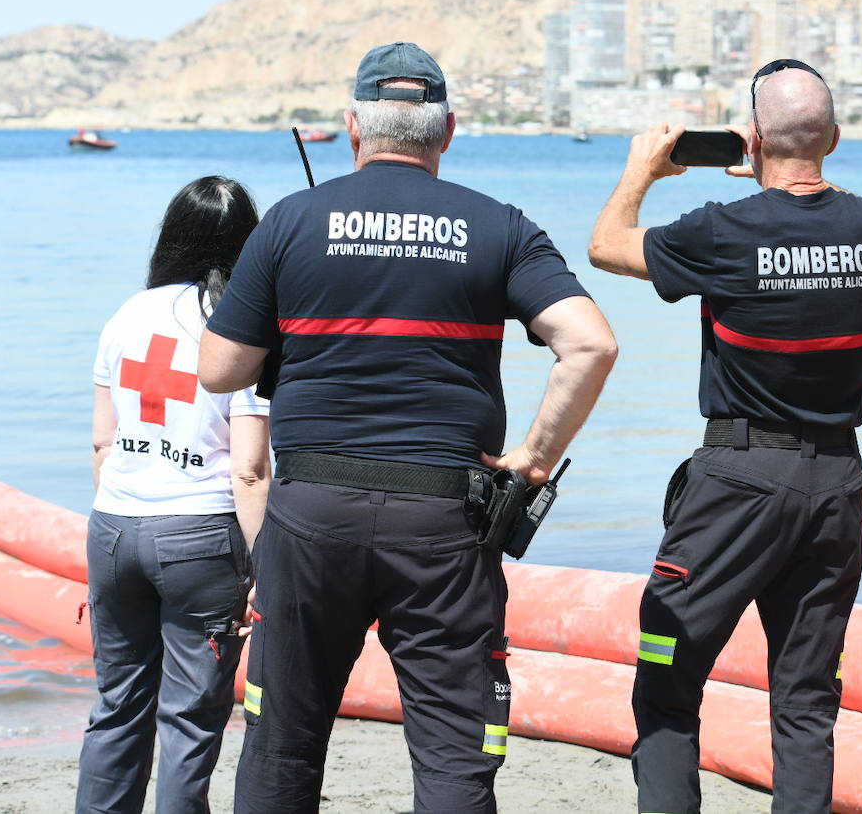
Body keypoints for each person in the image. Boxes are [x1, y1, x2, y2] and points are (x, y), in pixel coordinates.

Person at [197, 41, 617, 814]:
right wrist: (531, 457)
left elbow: (219, 371)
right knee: (456, 748)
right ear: (447, 130)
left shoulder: (292, 220)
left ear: (352, 128)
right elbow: (590, 344)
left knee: (281, 739)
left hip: (311, 513)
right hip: (443, 522)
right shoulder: (499, 225)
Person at [587, 59, 862, 813]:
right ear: (832, 135)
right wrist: (773, 173)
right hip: (837, 484)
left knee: (666, 681)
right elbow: (816, 237)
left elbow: (606, 244)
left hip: (739, 482)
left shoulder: (722, 231)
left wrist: (645, 170)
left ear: (754, 138)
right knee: (805, 700)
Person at [76, 176, 271, 814]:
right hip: (201, 537)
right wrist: (263, 568)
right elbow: (248, 469)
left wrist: (131, 511)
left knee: (115, 707)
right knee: (189, 720)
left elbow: (103, 444)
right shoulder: (239, 326)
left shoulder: (125, 316)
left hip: (114, 529)